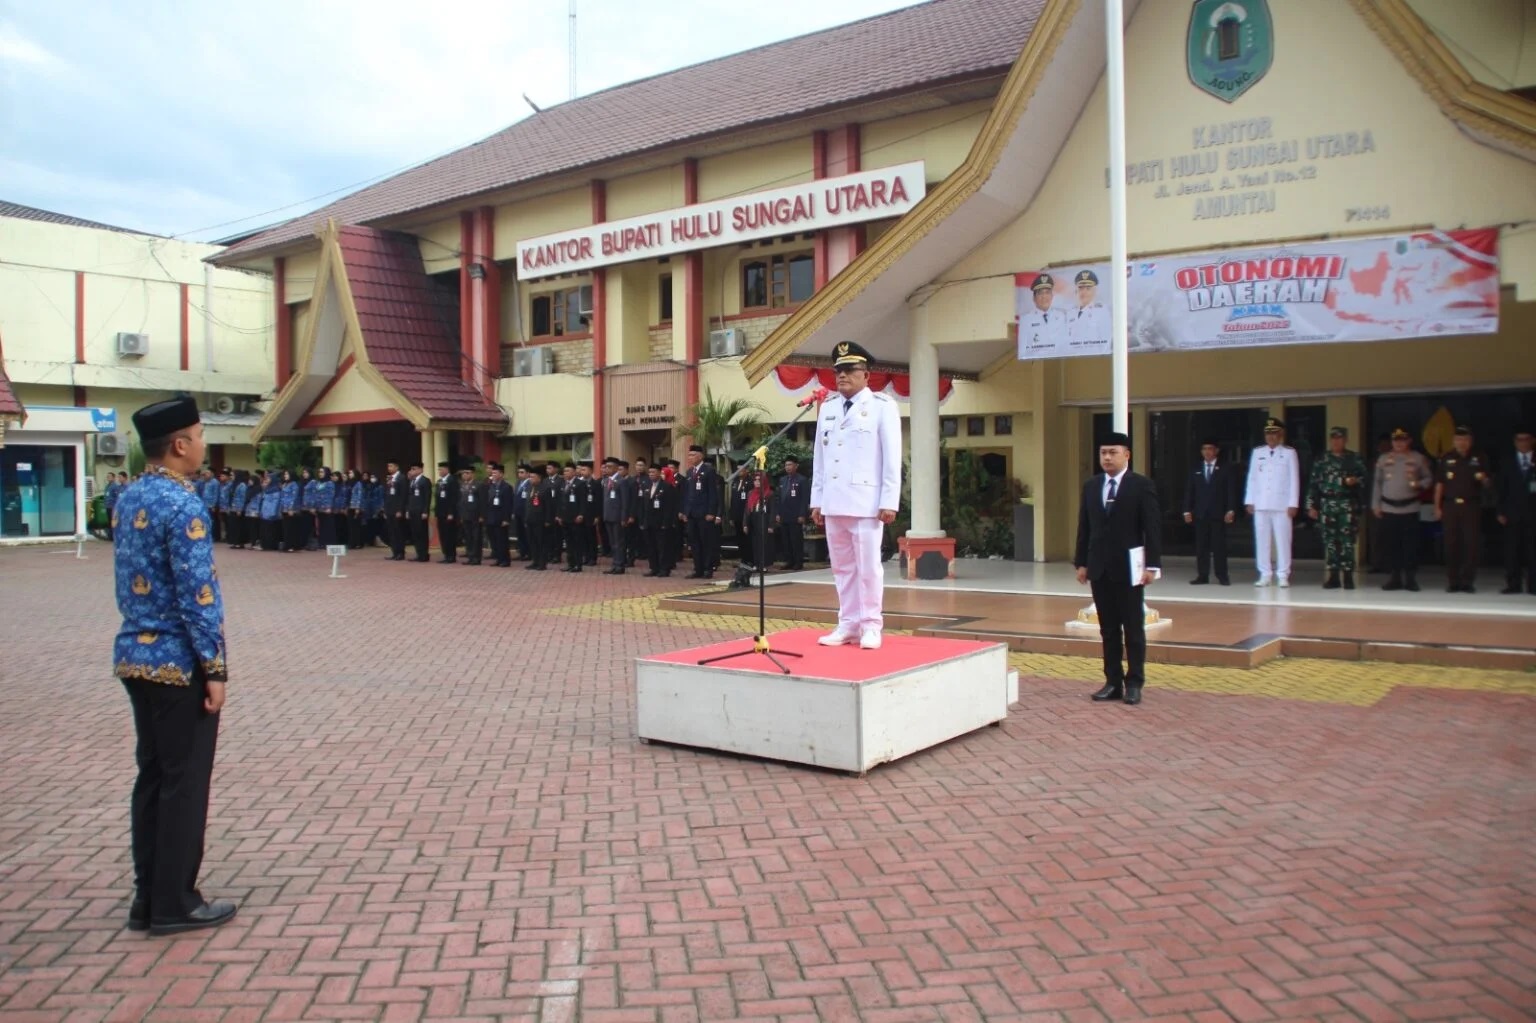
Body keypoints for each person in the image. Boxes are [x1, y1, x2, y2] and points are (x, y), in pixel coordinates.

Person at [112, 396, 235, 935]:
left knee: (154, 778)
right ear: (180, 445)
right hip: (178, 662)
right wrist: (216, 667)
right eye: (201, 435)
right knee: (184, 785)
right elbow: (197, 593)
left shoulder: (130, 496)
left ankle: (148, 895)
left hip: (135, 656)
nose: (204, 445)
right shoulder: (183, 504)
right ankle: (175, 902)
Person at [810, 340, 902, 650]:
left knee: (868, 567)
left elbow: (892, 456)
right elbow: (820, 458)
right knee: (842, 568)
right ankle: (848, 623)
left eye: (850, 370)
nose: (842, 376)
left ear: (866, 375)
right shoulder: (830, 407)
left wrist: (889, 501)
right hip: (835, 502)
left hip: (866, 503)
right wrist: (817, 500)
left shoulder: (881, 406)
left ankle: (871, 625)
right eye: (838, 371)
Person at [1073, 431, 1162, 706]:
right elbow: (1084, 527)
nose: (1107, 457)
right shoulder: (1092, 486)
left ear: (1127, 455)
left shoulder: (1141, 485)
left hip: (1130, 569)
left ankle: (1134, 682)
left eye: (1113, 452)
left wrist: (1153, 565)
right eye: (1103, 453)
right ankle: (1112, 682)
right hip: (1099, 569)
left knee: (1133, 628)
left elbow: (1152, 528)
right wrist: (1081, 562)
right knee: (1108, 630)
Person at [1371, 427, 1433, 591]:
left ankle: (1410, 578)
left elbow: (1428, 478)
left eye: (1402, 440)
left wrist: (1419, 485)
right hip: (1388, 508)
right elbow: (1377, 483)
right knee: (1391, 545)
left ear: (1408, 441)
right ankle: (1394, 577)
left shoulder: (1418, 459)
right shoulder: (1384, 459)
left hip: (1410, 508)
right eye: (1395, 440)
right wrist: (1375, 504)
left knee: (1410, 545)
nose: (1399, 443)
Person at [1306, 427, 1367, 589]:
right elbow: (1313, 484)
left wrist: (1356, 480)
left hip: (1347, 504)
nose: (1336, 441)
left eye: (1339, 438)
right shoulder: (1322, 459)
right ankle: (1333, 575)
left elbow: (1365, 478)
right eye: (1333, 438)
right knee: (1330, 541)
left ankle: (1348, 576)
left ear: (1345, 440)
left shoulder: (1354, 458)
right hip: (1327, 504)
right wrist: (1311, 505)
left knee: (1347, 541)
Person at [1434, 425, 1493, 593]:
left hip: (1471, 505)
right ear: (1453, 441)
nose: (1462, 442)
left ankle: (1468, 581)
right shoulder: (1446, 458)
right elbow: (1440, 484)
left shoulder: (1479, 457)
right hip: (1450, 506)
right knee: (1451, 543)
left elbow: (1489, 484)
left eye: (1465, 439)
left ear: (1470, 440)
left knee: (1471, 544)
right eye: (1459, 439)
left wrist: (1484, 479)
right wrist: (1437, 506)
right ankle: (1453, 581)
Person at [1244, 417, 1299, 587]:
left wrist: (1293, 503)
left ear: (1280, 434)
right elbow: (1252, 478)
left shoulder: (1289, 453)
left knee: (1283, 540)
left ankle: (1283, 574)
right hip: (1261, 503)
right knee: (1262, 540)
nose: (1271, 437)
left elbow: (1294, 479)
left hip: (1282, 504)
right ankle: (1265, 574)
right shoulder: (1258, 452)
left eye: (1274, 433)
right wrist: (1250, 500)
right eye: (1268, 434)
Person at [1182, 438, 1234, 585]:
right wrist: (1186, 510)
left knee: (1219, 546)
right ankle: (1202, 575)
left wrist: (1230, 509)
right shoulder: (1196, 469)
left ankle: (1222, 575)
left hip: (1218, 513)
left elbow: (1230, 491)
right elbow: (1189, 491)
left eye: (1210, 449)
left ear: (1216, 451)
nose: (1207, 452)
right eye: (1204, 449)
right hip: (1200, 514)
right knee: (1201, 547)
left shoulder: (1225, 468)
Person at [1497, 428, 1535, 594]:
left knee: (1533, 551)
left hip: (1533, 513)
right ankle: (1513, 584)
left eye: (1526, 439)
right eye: (1519, 439)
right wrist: (1500, 511)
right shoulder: (1507, 461)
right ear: (1515, 442)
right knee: (1512, 551)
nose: (1523, 442)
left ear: (1532, 440)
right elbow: (1501, 489)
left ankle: (1533, 586)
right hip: (1512, 513)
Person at [680, 445, 721, 578]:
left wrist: (711, 512)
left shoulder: (709, 471)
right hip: (692, 514)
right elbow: (686, 494)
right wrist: (685, 512)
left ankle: (708, 569)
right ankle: (698, 569)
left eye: (693, 455)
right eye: (689, 455)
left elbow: (713, 494)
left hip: (704, 514)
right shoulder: (689, 472)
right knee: (694, 542)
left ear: (700, 456)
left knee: (706, 542)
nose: (690, 458)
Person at [1018, 273, 1068, 354]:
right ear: (1034, 298)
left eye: (1047, 292)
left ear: (1052, 296)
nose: (1044, 296)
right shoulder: (1025, 319)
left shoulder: (1061, 316)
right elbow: (1022, 349)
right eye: (1040, 293)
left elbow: (1066, 344)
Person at [776, 456, 810, 571]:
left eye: (790, 465)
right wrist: (778, 513)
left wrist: (802, 514)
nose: (788, 467)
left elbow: (804, 499)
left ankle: (798, 561)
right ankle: (789, 560)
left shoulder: (802, 480)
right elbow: (779, 498)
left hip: (796, 515)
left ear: (796, 466)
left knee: (796, 539)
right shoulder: (782, 480)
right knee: (786, 540)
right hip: (784, 514)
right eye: (786, 465)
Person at [603, 459, 635, 574]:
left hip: (617, 516)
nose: (607, 469)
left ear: (616, 468)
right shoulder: (606, 481)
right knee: (612, 542)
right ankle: (614, 564)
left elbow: (625, 501)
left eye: (610, 467)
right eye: (606, 467)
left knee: (619, 542)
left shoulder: (621, 481)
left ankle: (620, 565)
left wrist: (624, 517)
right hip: (608, 515)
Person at [1066, 269, 1110, 347]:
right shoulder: (1070, 313)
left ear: (1094, 291)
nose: (1084, 292)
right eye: (1081, 288)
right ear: (1076, 290)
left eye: (1088, 288)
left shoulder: (1101, 312)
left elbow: (1106, 342)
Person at [485, 463, 515, 567]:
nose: (493, 474)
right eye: (492, 473)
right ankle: (498, 558)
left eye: (495, 473)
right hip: (491, 517)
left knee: (502, 540)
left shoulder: (506, 487)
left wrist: (506, 519)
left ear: (501, 474)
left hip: (501, 518)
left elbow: (508, 504)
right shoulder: (491, 486)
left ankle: (505, 560)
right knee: (494, 540)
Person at [382, 461, 407, 560]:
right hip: (389, 509)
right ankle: (394, 552)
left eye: (391, 466)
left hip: (397, 509)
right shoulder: (390, 478)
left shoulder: (402, 478)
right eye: (388, 466)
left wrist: (400, 510)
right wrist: (385, 508)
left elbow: (403, 495)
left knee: (399, 531)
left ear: (397, 467)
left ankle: (400, 552)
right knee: (391, 531)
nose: (389, 468)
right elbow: (387, 495)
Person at [104, 471, 124, 541]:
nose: (108, 478)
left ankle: (113, 536)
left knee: (113, 521)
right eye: (107, 477)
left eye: (109, 476)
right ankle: (110, 536)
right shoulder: (107, 486)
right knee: (109, 522)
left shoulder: (115, 486)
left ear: (113, 478)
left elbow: (117, 497)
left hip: (113, 507)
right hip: (108, 506)